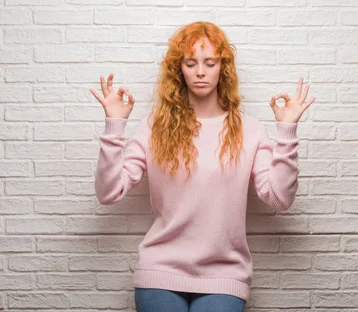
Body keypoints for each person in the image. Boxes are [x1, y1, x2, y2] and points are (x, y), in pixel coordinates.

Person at [90, 21, 315, 312]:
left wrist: (286, 132)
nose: (200, 72)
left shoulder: (250, 130)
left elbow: (280, 199)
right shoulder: (153, 128)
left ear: (223, 68)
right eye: (190, 63)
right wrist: (114, 126)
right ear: (179, 69)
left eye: (210, 63)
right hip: (160, 271)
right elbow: (109, 193)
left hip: (224, 275)